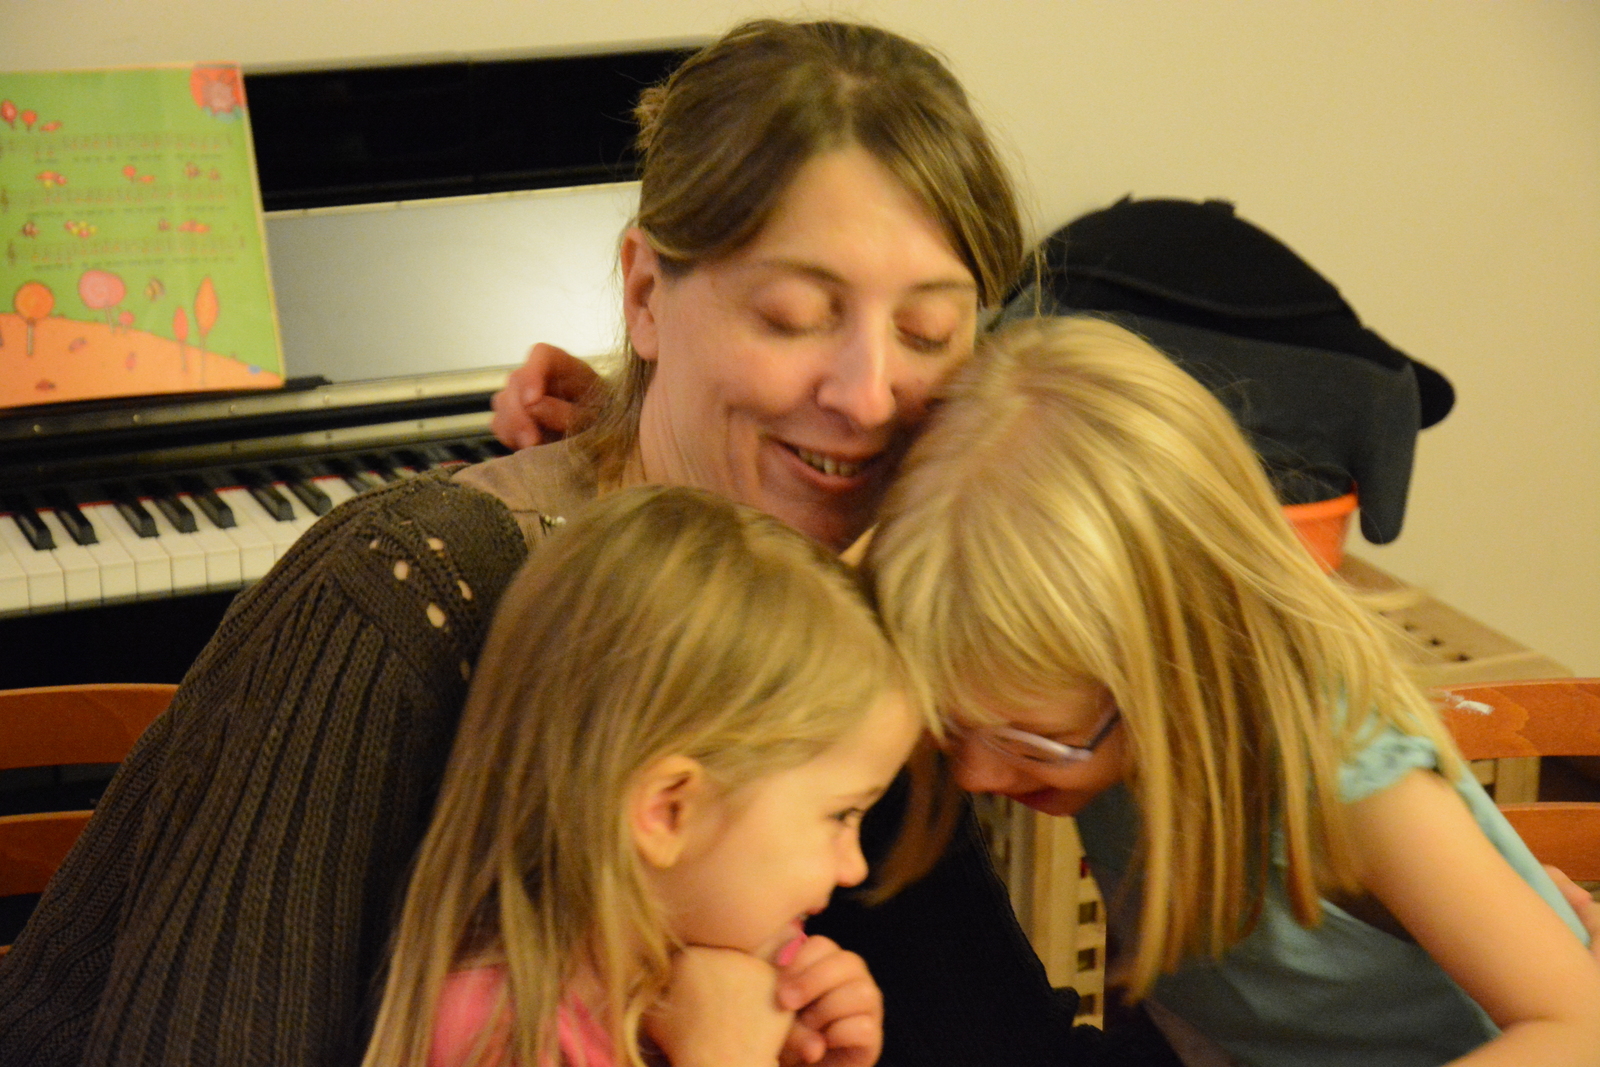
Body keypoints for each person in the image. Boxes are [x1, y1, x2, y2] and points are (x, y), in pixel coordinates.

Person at [0, 19, 1076, 1067]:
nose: (869, 395)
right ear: (646, 295)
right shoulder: (412, 584)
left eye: (929, 332)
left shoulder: (854, 614)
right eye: (795, 316)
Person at [863, 315, 1600, 1067]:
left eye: (1034, 742)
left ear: (1169, 666)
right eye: (947, 724)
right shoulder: (1107, 748)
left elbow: (1576, 1027)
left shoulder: (1346, 778)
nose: (975, 775)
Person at [364, 485, 922, 1067]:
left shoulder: (747, 952)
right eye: (840, 815)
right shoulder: (499, 1035)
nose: (854, 866)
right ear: (667, 811)